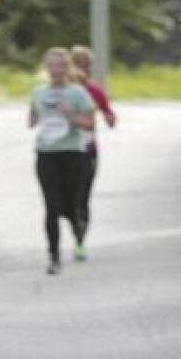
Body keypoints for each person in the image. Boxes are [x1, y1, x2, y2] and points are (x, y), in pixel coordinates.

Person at [28, 47, 96, 274]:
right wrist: (35, 118)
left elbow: (90, 124)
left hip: (71, 154)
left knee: (70, 206)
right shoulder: (38, 92)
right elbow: (32, 117)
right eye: (52, 66)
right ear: (46, 69)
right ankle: (54, 256)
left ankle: (77, 227)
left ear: (68, 68)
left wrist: (71, 115)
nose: (56, 70)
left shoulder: (77, 93)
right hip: (46, 154)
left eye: (61, 66)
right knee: (51, 206)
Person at [70, 45, 117, 260]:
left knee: (82, 198)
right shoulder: (61, 91)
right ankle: (75, 230)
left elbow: (110, 118)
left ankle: (79, 241)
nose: (85, 70)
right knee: (66, 200)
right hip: (62, 152)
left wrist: (107, 115)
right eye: (81, 65)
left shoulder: (94, 91)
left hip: (88, 150)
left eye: (88, 65)